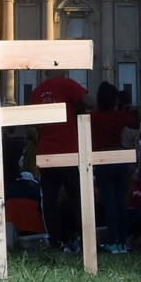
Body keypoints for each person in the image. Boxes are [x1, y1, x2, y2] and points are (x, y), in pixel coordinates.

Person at [28, 69, 94, 250]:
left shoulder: (37, 91)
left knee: (49, 199)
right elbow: (91, 102)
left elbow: (33, 123)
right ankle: (83, 238)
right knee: (76, 196)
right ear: (61, 69)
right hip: (68, 151)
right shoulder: (68, 84)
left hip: (46, 152)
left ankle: (54, 240)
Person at [90, 82, 138, 254]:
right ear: (114, 100)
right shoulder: (119, 116)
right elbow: (135, 124)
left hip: (102, 159)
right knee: (120, 203)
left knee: (109, 202)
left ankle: (111, 242)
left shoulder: (93, 117)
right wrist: (131, 110)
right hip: (119, 158)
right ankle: (122, 242)